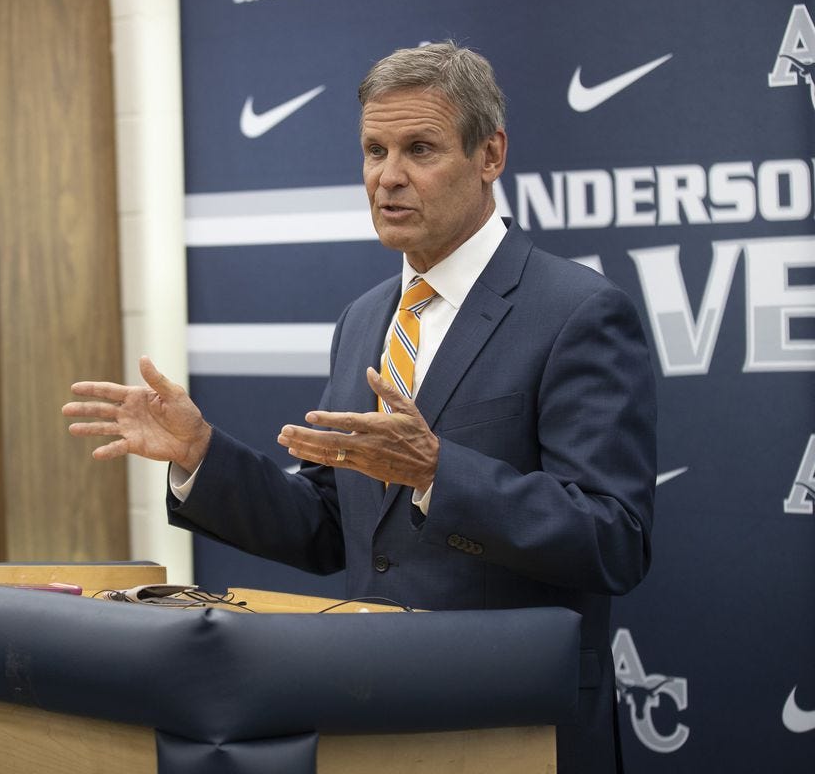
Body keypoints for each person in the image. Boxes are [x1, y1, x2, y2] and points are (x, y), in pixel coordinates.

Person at [63, 42, 655, 774]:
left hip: (514, 725)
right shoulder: (365, 318)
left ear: (490, 154)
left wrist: (440, 473)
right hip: (370, 720)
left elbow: (613, 538)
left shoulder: (579, 311)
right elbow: (330, 526)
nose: (388, 177)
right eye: (373, 151)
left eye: (419, 149)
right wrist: (200, 457)